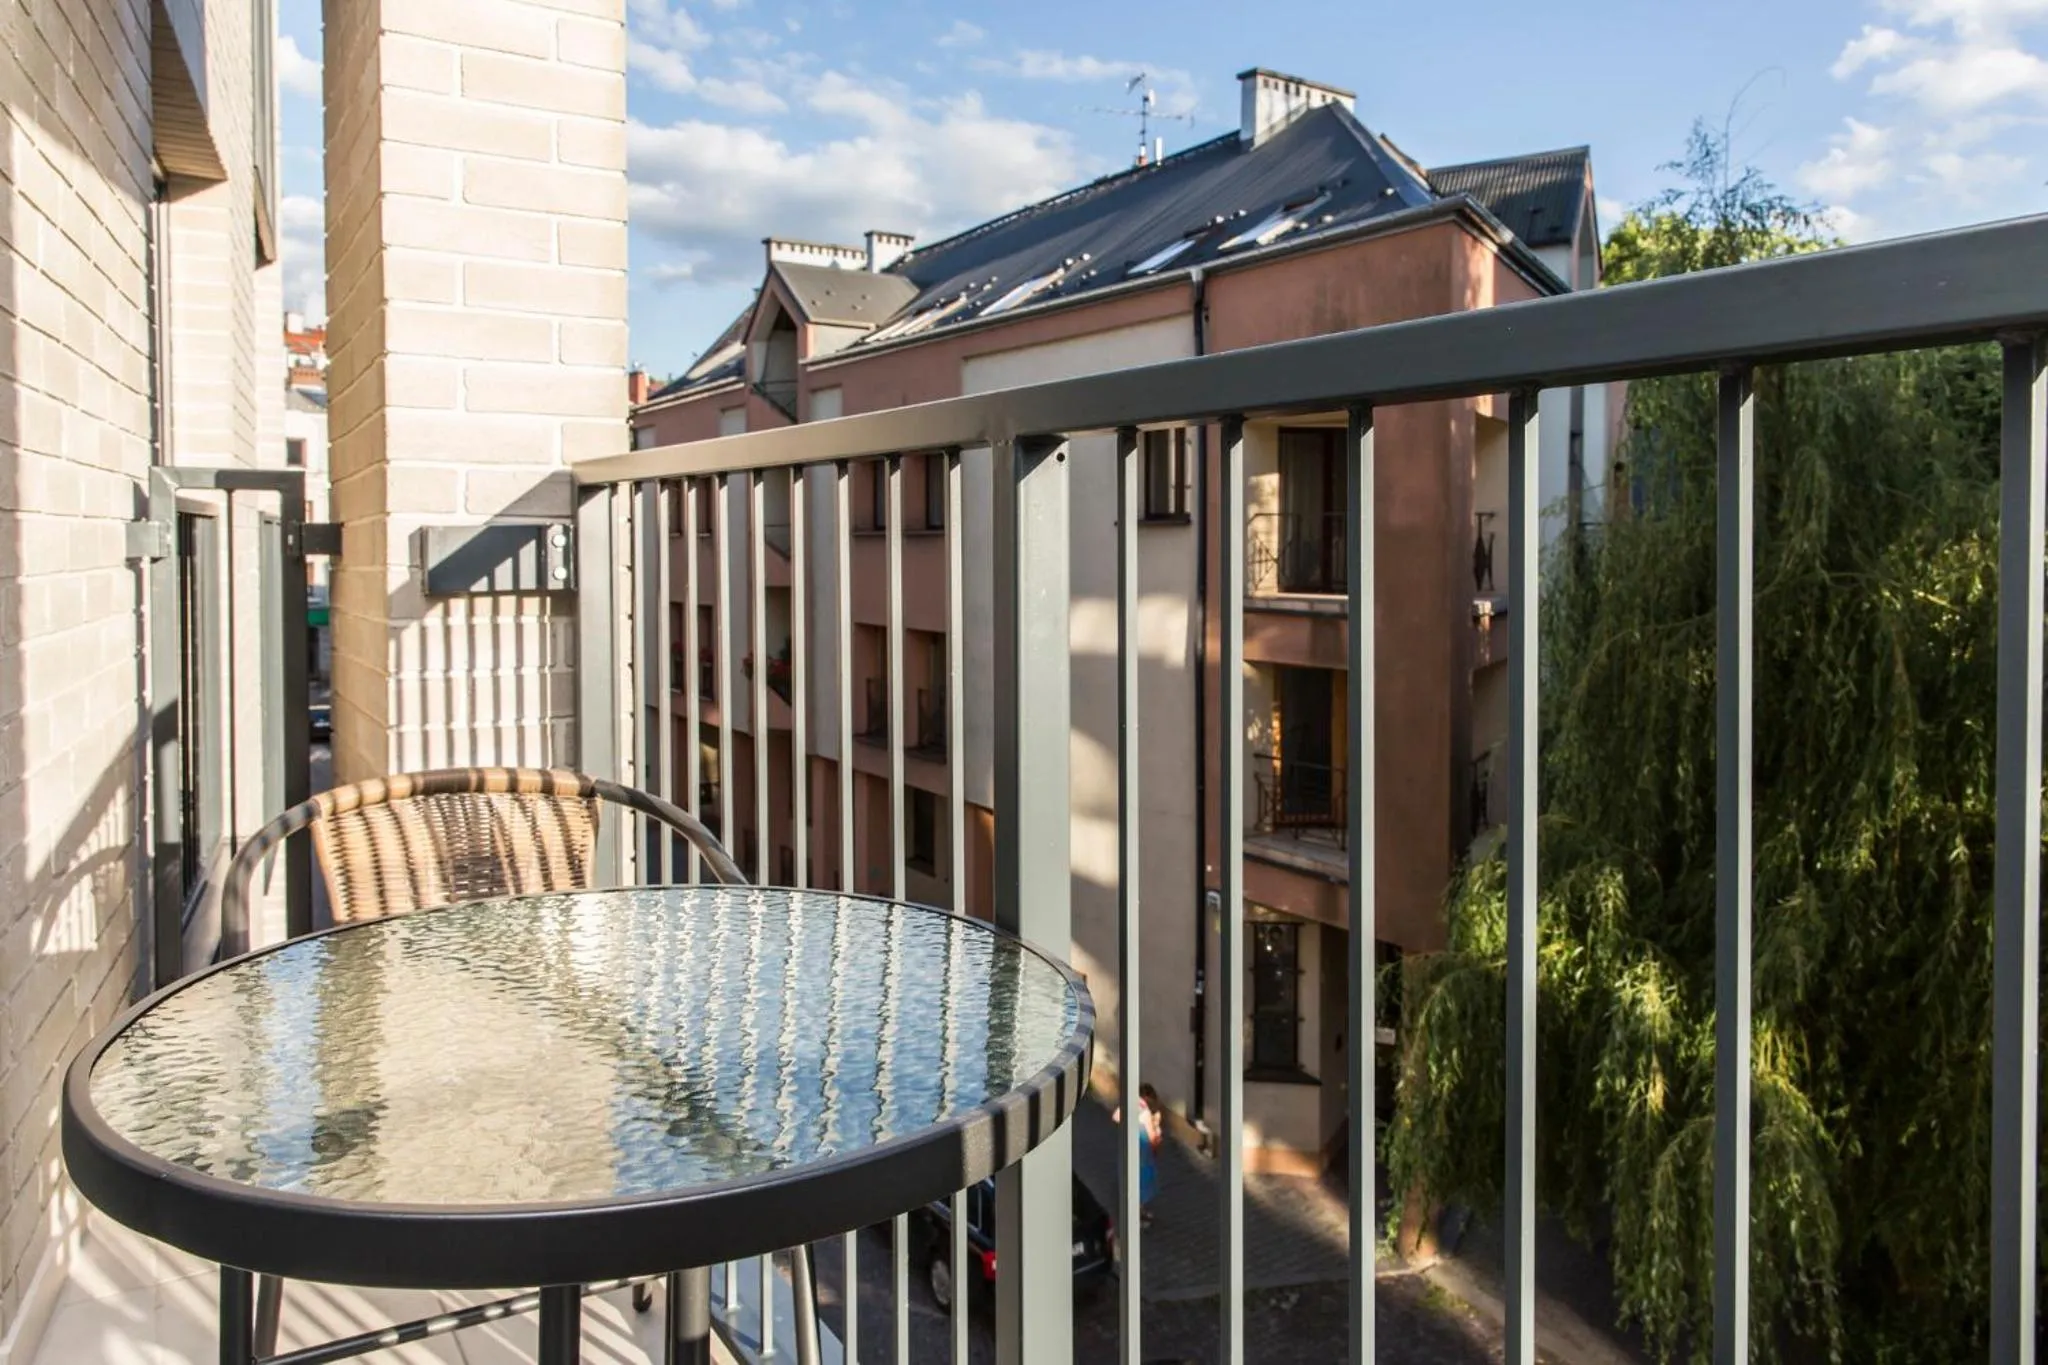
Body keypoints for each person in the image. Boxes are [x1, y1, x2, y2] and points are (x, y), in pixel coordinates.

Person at [1115, 1082, 1165, 1228]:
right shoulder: (1145, 1113)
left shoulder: (1130, 1105)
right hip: (1143, 1155)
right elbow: (1152, 1137)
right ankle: (1137, 1218)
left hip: (1129, 1150)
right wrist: (1156, 1146)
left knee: (1132, 1182)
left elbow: (1116, 1117)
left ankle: (1140, 1212)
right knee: (1140, 1186)